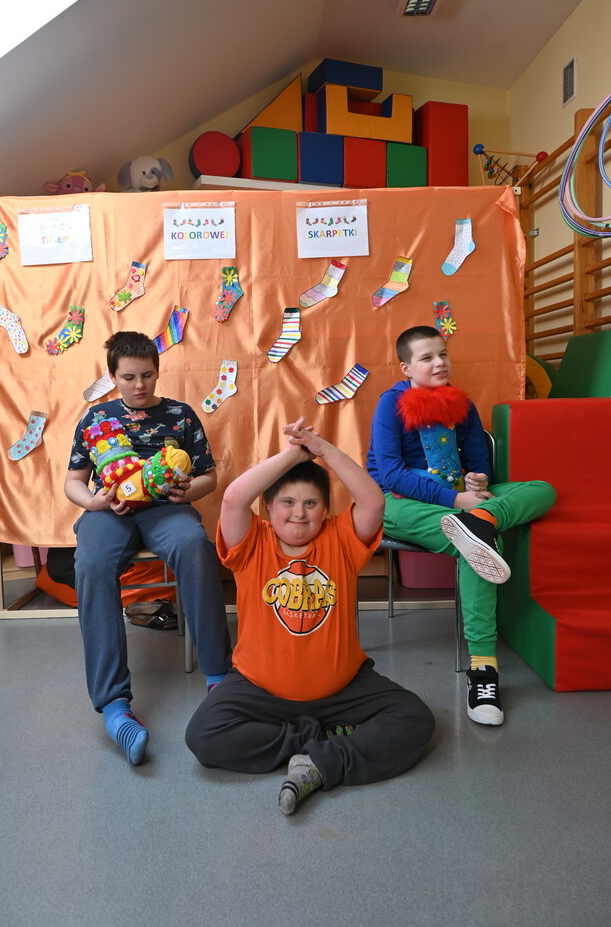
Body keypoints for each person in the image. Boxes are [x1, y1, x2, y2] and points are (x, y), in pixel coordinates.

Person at [185, 417, 434, 816]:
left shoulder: (341, 539)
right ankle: (313, 740)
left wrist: (323, 450)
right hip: (261, 691)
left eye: (311, 503)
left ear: (325, 510)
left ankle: (319, 762)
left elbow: (373, 501)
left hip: (343, 691)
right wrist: (290, 455)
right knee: (203, 735)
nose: (299, 513)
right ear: (268, 508)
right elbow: (232, 499)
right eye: (287, 502)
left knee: (415, 719)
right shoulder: (252, 542)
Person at [367, 325, 556, 726]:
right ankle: (483, 668)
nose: (439, 363)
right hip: (400, 502)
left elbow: (478, 461)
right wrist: (456, 501)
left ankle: (483, 520)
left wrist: (478, 483)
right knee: (478, 547)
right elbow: (392, 474)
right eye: (427, 358)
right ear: (406, 368)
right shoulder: (390, 404)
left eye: (443, 354)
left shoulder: (463, 405)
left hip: (463, 501)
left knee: (543, 490)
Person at [64, 331, 231, 765]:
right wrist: (94, 503)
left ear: (158, 371)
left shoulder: (180, 414)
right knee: (91, 564)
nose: (139, 385)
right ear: (112, 376)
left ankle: (219, 676)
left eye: (147, 375)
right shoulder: (96, 417)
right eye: (129, 377)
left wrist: (187, 491)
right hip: (109, 511)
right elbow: (73, 482)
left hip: (165, 509)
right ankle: (114, 707)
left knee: (195, 546)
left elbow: (210, 477)